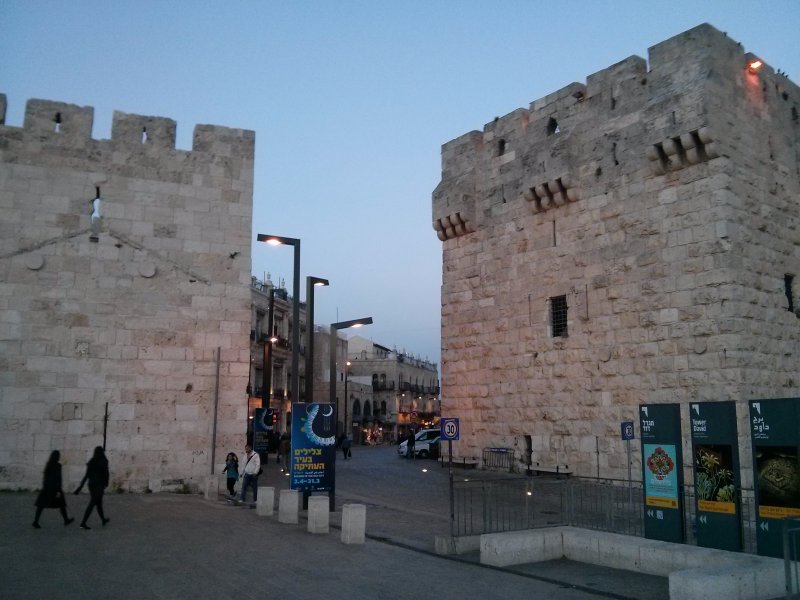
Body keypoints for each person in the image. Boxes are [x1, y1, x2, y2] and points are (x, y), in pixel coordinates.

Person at [33, 450, 74, 528]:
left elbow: (45, 477)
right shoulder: (58, 465)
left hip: (47, 488)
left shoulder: (48, 464)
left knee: (41, 505)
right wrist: (58, 490)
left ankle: (36, 521)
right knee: (61, 504)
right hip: (55, 489)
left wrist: (45, 486)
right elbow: (58, 478)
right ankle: (66, 520)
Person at [74, 446, 110, 529]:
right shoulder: (104, 461)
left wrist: (80, 487)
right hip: (99, 486)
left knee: (99, 503)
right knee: (93, 503)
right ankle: (83, 523)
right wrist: (106, 483)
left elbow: (86, 476)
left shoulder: (92, 461)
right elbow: (106, 473)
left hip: (91, 485)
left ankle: (103, 520)